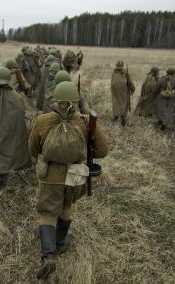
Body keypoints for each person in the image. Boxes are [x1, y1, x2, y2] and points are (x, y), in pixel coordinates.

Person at [29, 81, 109, 280]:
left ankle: (48, 256)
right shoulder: (84, 121)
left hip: (51, 175)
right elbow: (102, 150)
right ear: (75, 100)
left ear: (54, 100)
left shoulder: (42, 120)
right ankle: (60, 243)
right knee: (66, 206)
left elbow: (33, 149)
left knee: (48, 213)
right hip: (76, 175)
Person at [111, 60, 135, 126]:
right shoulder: (125, 73)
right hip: (124, 91)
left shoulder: (114, 73)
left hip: (115, 91)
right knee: (124, 103)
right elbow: (130, 82)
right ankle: (123, 118)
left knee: (116, 102)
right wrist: (132, 89)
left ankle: (115, 116)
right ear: (122, 65)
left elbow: (112, 82)